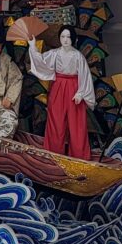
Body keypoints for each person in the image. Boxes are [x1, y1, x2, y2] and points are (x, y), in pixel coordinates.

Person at [28, 26, 95, 159]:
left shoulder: (78, 56)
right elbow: (41, 61)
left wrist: (81, 93)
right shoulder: (55, 53)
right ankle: (54, 155)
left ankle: (79, 157)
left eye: (68, 37)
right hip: (58, 86)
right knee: (55, 120)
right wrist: (32, 47)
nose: (65, 40)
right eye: (62, 36)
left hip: (74, 87)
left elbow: (85, 75)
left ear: (73, 39)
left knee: (76, 123)